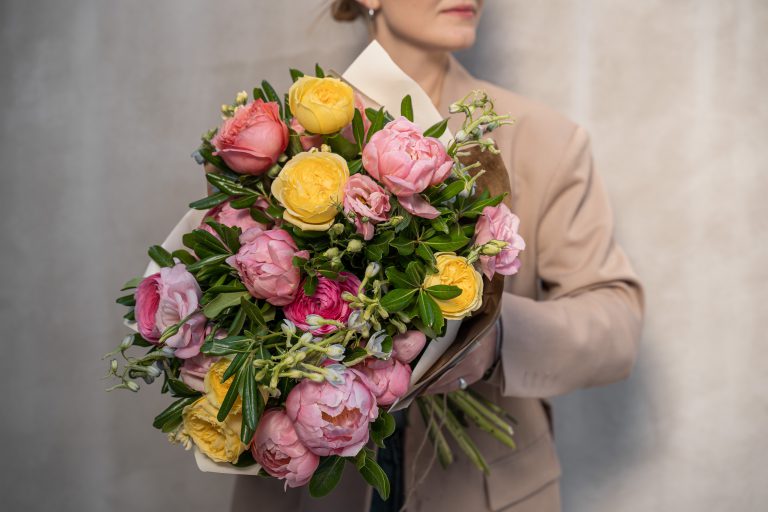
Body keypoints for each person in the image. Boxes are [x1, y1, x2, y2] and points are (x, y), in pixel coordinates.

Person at [229, 1, 644, 511]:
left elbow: (616, 322)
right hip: (315, 495)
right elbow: (227, 303)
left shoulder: (544, 139)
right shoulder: (277, 141)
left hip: (489, 488)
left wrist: (494, 341)